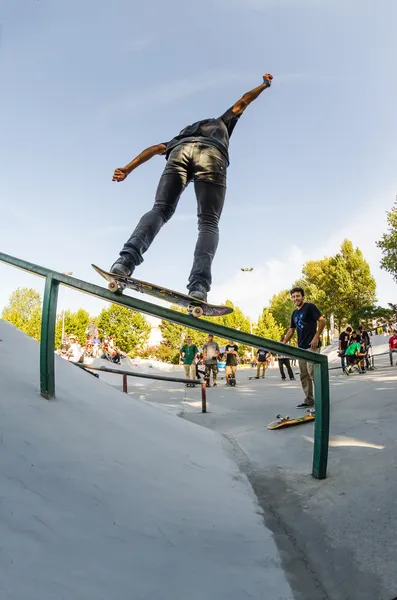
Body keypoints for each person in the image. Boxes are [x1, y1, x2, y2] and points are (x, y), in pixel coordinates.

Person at [109, 74, 273, 301]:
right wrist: (264, 85)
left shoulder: (181, 137)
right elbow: (243, 101)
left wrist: (127, 168)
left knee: (160, 209)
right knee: (208, 222)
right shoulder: (222, 122)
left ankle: (124, 262)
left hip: (178, 153)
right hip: (211, 156)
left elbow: (156, 148)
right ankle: (198, 286)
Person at [283, 287, 326, 408]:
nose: (296, 298)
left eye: (298, 296)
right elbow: (291, 330)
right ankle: (309, 400)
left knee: (313, 373)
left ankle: (322, 398)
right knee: (304, 375)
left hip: (312, 345)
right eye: (294, 296)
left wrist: (316, 337)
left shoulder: (310, 307)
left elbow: (322, 321)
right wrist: (284, 342)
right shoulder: (294, 313)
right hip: (301, 348)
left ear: (303, 297)